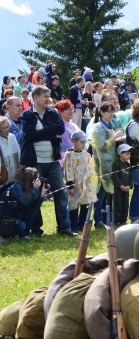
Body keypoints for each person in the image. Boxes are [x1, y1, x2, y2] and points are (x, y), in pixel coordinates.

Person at [19, 85, 75, 236]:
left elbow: (60, 129)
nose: (48, 99)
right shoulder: (27, 115)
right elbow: (30, 135)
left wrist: (43, 130)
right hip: (35, 162)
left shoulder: (53, 112)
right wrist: (51, 133)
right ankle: (36, 229)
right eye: (45, 96)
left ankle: (64, 227)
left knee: (61, 194)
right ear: (35, 98)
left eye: (49, 96)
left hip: (53, 161)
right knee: (36, 195)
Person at [89, 102, 124, 227]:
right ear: (102, 112)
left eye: (112, 111)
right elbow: (103, 145)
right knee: (101, 192)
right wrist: (115, 135)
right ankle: (97, 220)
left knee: (107, 193)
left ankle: (104, 219)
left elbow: (110, 142)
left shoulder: (110, 125)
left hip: (111, 163)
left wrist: (118, 138)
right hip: (102, 164)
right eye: (109, 111)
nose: (111, 114)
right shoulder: (98, 127)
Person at [0, 167, 49, 242]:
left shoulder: (28, 188)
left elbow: (35, 207)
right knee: (22, 226)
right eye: (37, 178)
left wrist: (42, 194)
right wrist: (35, 189)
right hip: (5, 217)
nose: (38, 181)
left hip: (15, 215)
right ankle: (3, 234)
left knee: (33, 209)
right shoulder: (17, 186)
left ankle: (24, 235)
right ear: (31, 178)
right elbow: (25, 201)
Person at [64, 130, 97, 232]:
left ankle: (82, 225)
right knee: (73, 205)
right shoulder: (70, 155)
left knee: (86, 204)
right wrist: (70, 185)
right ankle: (73, 226)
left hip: (86, 184)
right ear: (74, 141)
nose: (83, 145)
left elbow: (90, 168)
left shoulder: (86, 155)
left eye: (84, 143)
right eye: (81, 142)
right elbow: (68, 169)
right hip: (75, 184)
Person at [111, 143, 132, 225]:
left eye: (129, 154)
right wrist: (120, 185)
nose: (129, 155)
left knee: (125, 204)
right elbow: (115, 175)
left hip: (126, 189)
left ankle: (123, 220)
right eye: (127, 154)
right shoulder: (116, 164)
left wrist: (129, 186)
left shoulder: (128, 165)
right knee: (118, 204)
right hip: (118, 189)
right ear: (120, 154)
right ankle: (117, 220)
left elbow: (131, 176)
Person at [0, 117, 20, 183]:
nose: (6, 130)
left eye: (7, 127)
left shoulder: (12, 137)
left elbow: (19, 154)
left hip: (15, 178)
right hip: (3, 180)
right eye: (3, 128)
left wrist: (20, 167)